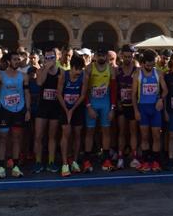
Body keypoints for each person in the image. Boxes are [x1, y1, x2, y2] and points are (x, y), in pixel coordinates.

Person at [0, 52, 31, 179]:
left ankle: (15, 166)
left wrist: (28, 110)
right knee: (2, 137)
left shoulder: (24, 76)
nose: (17, 62)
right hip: (4, 110)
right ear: (8, 61)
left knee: (16, 138)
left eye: (18, 60)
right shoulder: (0, 75)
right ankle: (2, 167)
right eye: (15, 59)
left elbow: (27, 93)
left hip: (19, 110)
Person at [82, 45, 117, 173]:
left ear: (106, 57)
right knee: (90, 132)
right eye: (99, 55)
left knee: (106, 131)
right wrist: (88, 106)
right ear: (95, 56)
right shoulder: (89, 68)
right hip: (92, 103)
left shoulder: (111, 69)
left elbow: (113, 90)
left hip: (105, 103)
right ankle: (87, 160)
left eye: (103, 55)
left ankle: (106, 158)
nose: (101, 57)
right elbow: (84, 90)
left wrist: (113, 107)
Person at [132, 49, 168, 172]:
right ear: (142, 64)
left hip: (155, 108)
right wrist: (136, 111)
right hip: (143, 108)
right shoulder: (138, 74)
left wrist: (161, 99)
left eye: (152, 65)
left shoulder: (158, 73)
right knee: (145, 136)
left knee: (156, 136)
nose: (150, 67)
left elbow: (165, 90)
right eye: (147, 65)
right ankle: (146, 161)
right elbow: (133, 95)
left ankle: (156, 162)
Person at [56, 55, 87, 177]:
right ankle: (64, 164)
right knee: (66, 132)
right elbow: (58, 94)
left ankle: (74, 161)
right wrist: (66, 110)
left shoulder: (84, 76)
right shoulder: (64, 75)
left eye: (81, 69)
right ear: (72, 67)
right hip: (64, 105)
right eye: (77, 69)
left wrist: (72, 110)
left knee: (77, 133)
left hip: (77, 106)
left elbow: (83, 95)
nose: (78, 72)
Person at [32, 50, 61, 174]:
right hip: (42, 106)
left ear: (56, 58)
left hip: (55, 106)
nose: (50, 59)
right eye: (47, 57)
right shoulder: (40, 70)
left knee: (52, 136)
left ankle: (51, 161)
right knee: (38, 136)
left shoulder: (61, 72)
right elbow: (39, 82)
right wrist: (46, 68)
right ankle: (38, 162)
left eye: (52, 57)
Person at [115, 45, 139, 169]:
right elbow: (115, 89)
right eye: (125, 57)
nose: (127, 59)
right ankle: (120, 158)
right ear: (121, 56)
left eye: (129, 57)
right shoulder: (117, 70)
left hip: (133, 105)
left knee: (133, 131)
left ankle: (134, 157)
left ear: (133, 56)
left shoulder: (137, 70)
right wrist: (117, 101)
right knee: (121, 132)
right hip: (121, 105)